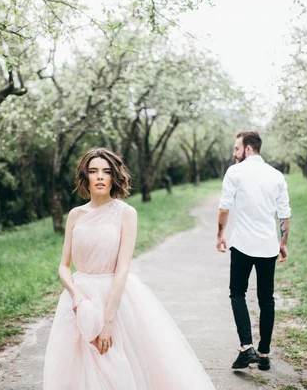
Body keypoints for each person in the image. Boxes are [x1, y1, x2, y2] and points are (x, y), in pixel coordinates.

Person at [43, 147, 215, 390]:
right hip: (78, 301)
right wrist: (76, 294)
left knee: (113, 365)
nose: (100, 177)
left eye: (106, 171)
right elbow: (63, 266)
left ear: (114, 177)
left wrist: (108, 320)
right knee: (75, 368)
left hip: (114, 297)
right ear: (85, 177)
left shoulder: (126, 213)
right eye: (93, 171)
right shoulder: (75, 215)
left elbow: (123, 268)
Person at [216, 131, 291, 371]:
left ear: (248, 149)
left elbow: (224, 207)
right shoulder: (276, 175)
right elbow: (284, 213)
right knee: (266, 297)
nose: (234, 153)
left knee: (237, 292)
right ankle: (264, 353)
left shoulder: (234, 172)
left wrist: (219, 234)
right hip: (268, 245)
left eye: (237, 148)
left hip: (242, 244)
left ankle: (246, 347)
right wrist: (283, 242)